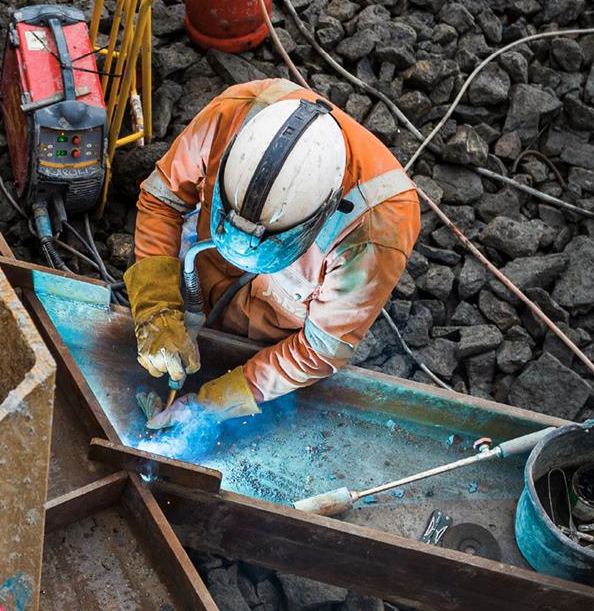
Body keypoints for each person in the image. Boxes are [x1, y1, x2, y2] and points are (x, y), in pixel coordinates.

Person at [125, 78, 420, 429]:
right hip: (200, 279)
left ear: (321, 215)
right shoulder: (233, 111)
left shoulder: (378, 227)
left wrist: (214, 404)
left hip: (269, 339)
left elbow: (319, 348)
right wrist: (156, 309)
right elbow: (162, 201)